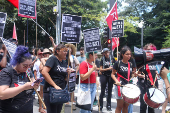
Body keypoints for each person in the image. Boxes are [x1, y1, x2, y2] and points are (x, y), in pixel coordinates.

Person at [0, 46, 40, 113]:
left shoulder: (28, 71)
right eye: (25, 65)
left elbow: (33, 85)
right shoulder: (7, 72)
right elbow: (2, 95)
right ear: (17, 62)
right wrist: (23, 87)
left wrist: (35, 85)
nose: (27, 68)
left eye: (29, 65)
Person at [41, 44, 71, 113]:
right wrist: (55, 85)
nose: (66, 52)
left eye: (67, 51)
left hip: (60, 92)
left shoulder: (64, 62)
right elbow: (44, 72)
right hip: (51, 92)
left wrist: (68, 74)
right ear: (57, 51)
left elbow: (65, 79)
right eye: (64, 51)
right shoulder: (53, 59)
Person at [111, 46, 135, 113]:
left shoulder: (130, 64)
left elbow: (130, 75)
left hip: (128, 87)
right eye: (127, 54)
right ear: (122, 54)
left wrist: (134, 75)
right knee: (119, 106)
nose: (129, 56)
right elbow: (112, 74)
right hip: (120, 86)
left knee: (126, 106)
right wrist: (116, 81)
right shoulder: (117, 63)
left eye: (130, 54)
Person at [138, 43, 158, 113]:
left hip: (153, 86)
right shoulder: (142, 61)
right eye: (148, 50)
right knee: (143, 106)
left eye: (151, 49)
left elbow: (160, 72)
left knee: (151, 107)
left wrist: (159, 73)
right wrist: (142, 76)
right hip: (143, 86)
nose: (150, 51)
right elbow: (137, 73)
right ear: (145, 50)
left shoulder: (156, 61)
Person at [33, 48, 46, 113]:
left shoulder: (46, 61)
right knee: (40, 94)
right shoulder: (37, 62)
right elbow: (35, 70)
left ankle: (43, 105)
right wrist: (35, 78)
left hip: (45, 79)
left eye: (42, 55)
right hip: (39, 79)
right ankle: (40, 107)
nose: (42, 56)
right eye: (40, 55)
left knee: (43, 93)